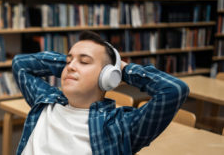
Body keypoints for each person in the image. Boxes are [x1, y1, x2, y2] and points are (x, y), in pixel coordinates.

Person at [12, 31, 189, 155]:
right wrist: (71, 63)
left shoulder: (119, 127)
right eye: (68, 61)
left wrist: (122, 70)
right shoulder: (46, 101)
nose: (71, 66)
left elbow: (174, 90)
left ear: (108, 77)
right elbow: (20, 64)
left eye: (85, 61)